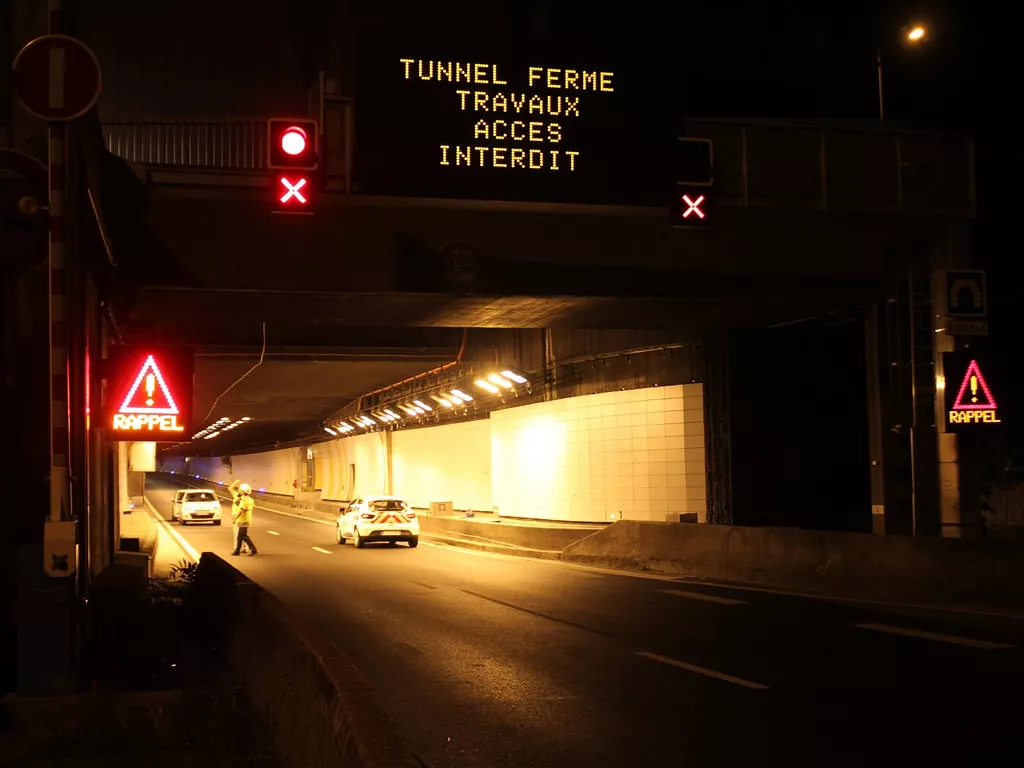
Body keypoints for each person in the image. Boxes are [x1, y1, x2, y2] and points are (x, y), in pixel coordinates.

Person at [228, 480, 257, 556]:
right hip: (246, 519)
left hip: (242, 519)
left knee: (242, 536)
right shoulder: (250, 499)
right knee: (240, 536)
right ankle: (237, 551)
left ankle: (253, 550)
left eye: (240, 489)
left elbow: (241, 510)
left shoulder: (244, 500)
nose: (238, 490)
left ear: (243, 491)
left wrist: (235, 519)